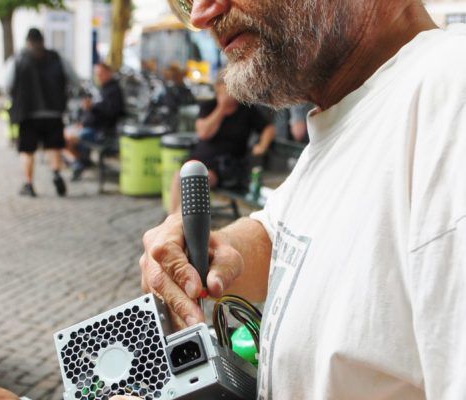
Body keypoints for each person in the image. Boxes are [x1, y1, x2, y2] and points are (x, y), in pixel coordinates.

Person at [135, 0, 466, 399]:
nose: (202, 14)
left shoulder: (449, 101)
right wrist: (208, 248)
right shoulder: (355, 110)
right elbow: (280, 235)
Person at [168, 76, 275, 213]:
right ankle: (173, 219)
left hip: (225, 165)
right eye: (224, 87)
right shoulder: (209, 106)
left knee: (198, 180)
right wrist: (221, 109)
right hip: (200, 158)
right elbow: (204, 133)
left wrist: (262, 145)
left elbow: (268, 128)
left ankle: (181, 223)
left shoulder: (246, 110)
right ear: (217, 88)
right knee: (179, 176)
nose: (228, 92)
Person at [5, 28, 78, 197]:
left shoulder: (17, 59)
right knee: (54, 147)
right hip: (53, 112)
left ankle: (29, 184)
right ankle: (56, 174)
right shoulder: (57, 58)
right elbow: (74, 80)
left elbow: (6, 85)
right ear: (43, 41)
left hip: (27, 113)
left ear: (27, 41)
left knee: (27, 151)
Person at [65, 62, 125, 181]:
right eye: (97, 74)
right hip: (91, 127)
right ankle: (80, 161)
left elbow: (110, 113)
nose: (98, 77)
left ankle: (80, 162)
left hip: (102, 132)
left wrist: (92, 107)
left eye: (101, 74)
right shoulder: (103, 89)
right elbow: (94, 112)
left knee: (66, 138)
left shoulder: (113, 90)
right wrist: (83, 121)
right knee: (63, 134)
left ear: (109, 73)